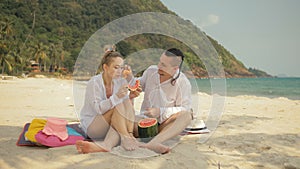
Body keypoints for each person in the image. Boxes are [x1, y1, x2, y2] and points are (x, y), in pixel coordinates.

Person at [75, 48, 141, 154]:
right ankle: (125, 137)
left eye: (121, 68)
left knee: (125, 103)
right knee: (118, 106)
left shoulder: (120, 82)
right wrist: (117, 97)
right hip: (93, 125)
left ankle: (108, 144)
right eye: (116, 68)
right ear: (105, 67)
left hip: (111, 124)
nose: (120, 71)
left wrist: (131, 97)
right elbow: (98, 109)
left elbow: (127, 111)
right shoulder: (94, 83)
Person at [130, 48, 193, 154]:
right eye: (160, 62)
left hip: (165, 125)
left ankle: (154, 142)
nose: (159, 66)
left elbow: (184, 108)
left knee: (187, 115)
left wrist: (160, 111)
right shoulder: (151, 71)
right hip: (142, 123)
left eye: (163, 65)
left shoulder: (183, 83)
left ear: (175, 68)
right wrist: (130, 80)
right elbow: (138, 84)